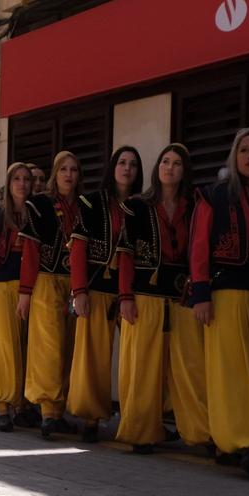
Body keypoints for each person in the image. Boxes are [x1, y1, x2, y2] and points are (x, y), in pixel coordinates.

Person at [191, 128, 249, 476]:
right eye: (244, 150)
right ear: (235, 154)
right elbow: (198, 247)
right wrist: (201, 294)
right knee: (237, 373)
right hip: (225, 292)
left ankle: (236, 439)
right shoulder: (215, 196)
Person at [115, 145, 194, 452]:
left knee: (189, 366)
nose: (169, 167)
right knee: (142, 367)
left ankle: (200, 432)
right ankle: (140, 431)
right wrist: (125, 296)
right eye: (165, 161)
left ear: (184, 170)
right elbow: (125, 254)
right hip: (143, 296)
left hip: (181, 297)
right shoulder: (137, 205)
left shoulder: (193, 206)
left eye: (176, 163)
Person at [68, 147, 143, 442]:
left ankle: (137, 417)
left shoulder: (142, 204)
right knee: (93, 356)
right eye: (122, 162)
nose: (127, 168)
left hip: (132, 292)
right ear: (112, 167)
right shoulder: (91, 202)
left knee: (136, 357)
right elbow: (77, 249)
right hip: (97, 288)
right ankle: (90, 417)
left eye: (133, 164)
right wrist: (79, 291)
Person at [21, 153, 83, 437]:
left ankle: (59, 412)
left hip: (74, 282)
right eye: (63, 170)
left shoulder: (84, 207)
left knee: (69, 347)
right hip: (46, 281)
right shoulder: (40, 205)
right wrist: (25, 292)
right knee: (48, 348)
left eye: (74, 170)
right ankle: (47, 411)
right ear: (55, 174)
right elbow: (31, 252)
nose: (68, 175)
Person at [0, 162, 38, 431]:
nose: (22, 183)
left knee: (28, 346)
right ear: (9, 182)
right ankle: (3, 405)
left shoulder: (37, 211)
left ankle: (23, 405)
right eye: (17, 178)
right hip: (3, 284)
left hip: (34, 285)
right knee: (4, 347)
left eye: (27, 179)